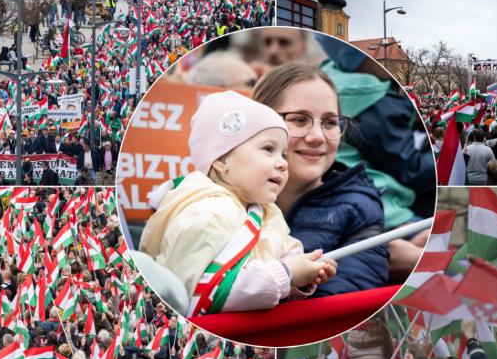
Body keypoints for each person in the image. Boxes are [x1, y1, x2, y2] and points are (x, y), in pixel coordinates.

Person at [140, 91, 337, 316]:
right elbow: (205, 298)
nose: (282, 164)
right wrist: (287, 273)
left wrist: (302, 274)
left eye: (283, 154)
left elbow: (270, 267)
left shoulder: (266, 213)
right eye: (268, 149)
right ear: (222, 161)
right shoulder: (208, 215)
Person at [251, 64, 389, 297]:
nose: (317, 137)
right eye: (299, 120)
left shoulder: (359, 211)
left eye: (330, 122)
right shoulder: (213, 201)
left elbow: (338, 311)